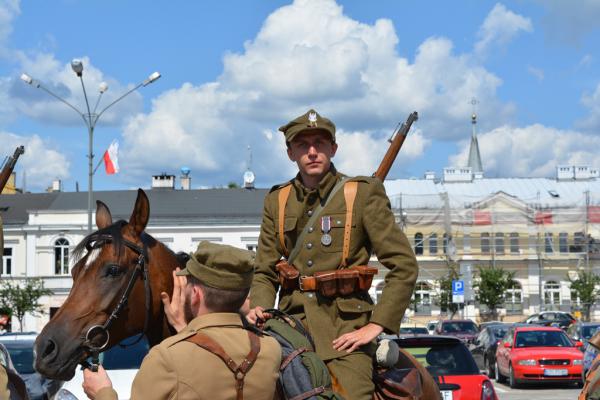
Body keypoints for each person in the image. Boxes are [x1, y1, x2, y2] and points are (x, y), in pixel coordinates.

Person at [246, 109, 419, 399]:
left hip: (345, 332)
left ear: (333, 149)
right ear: (290, 153)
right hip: (290, 327)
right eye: (303, 145)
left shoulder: (362, 194)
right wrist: (259, 307)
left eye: (320, 144)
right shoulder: (277, 200)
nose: (312, 152)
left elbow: (403, 265)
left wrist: (377, 325)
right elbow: (265, 269)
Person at [82, 241, 282, 400]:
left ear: (195, 294)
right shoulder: (270, 349)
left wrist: (102, 392)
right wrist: (185, 330)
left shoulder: (166, 357)